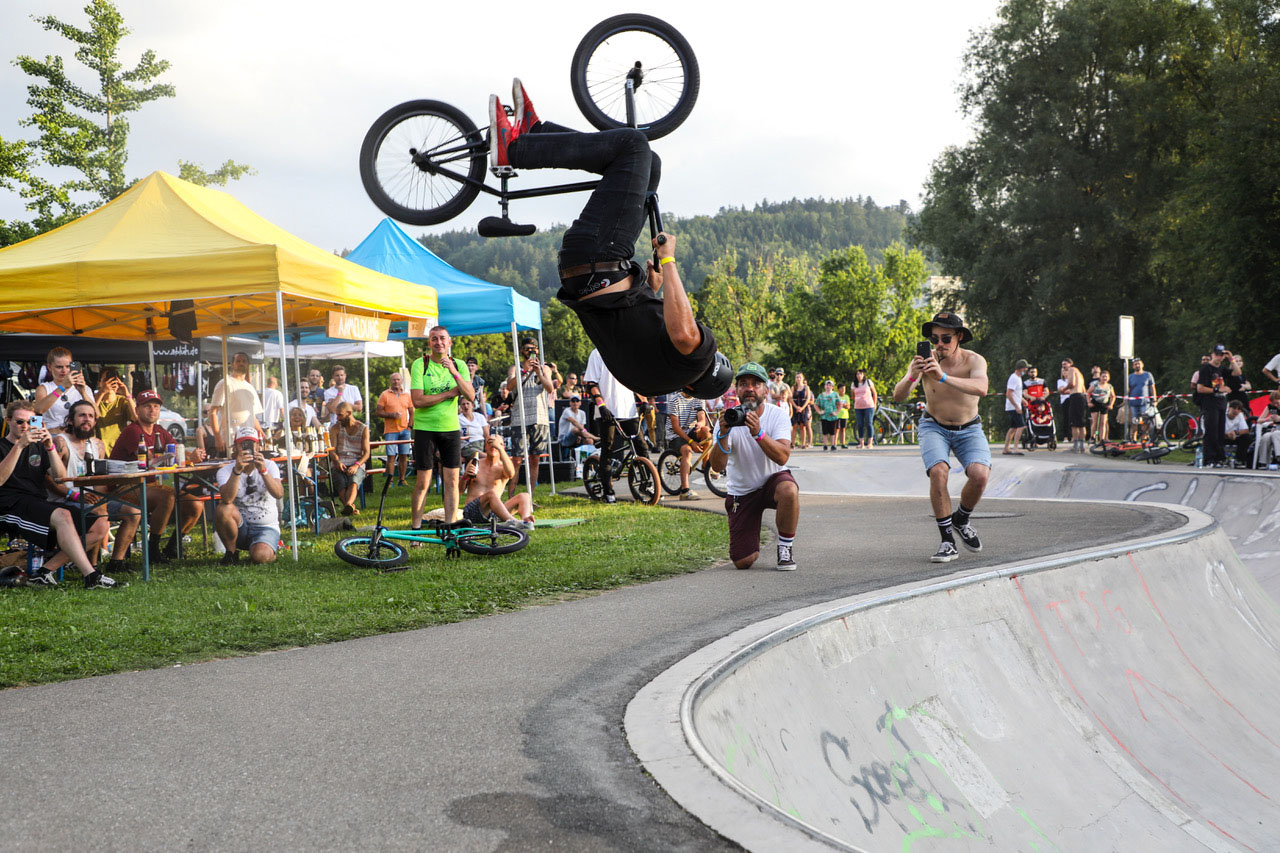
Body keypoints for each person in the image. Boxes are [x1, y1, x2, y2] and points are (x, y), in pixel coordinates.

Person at [492, 79, 728, 400]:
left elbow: (685, 336)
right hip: (585, 270)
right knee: (649, 167)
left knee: (633, 146)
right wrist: (650, 289)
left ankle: (516, 149)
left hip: (601, 257)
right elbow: (626, 327)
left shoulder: (694, 361)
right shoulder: (648, 383)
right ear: (689, 392)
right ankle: (537, 132)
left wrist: (669, 261)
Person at [892, 311, 991, 564]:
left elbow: (982, 388)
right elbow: (898, 395)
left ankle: (961, 519)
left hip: (969, 427)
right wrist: (913, 374)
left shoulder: (974, 360)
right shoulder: (925, 362)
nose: (939, 345)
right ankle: (947, 540)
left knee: (980, 475)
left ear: (959, 337)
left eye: (946, 338)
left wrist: (943, 376)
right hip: (933, 425)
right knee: (938, 471)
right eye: (934, 339)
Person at [0, 400, 116, 588]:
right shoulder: (4, 446)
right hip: (10, 505)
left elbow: (61, 477)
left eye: (30, 422)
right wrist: (19, 446)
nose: (25, 427)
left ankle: (44, 572)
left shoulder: (37, 446)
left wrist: (49, 447)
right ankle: (91, 576)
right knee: (63, 515)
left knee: (100, 525)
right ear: (8, 420)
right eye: (20, 422)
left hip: (38, 502)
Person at [707, 362, 799, 571]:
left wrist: (759, 433)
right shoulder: (727, 420)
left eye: (756, 383)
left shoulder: (777, 415)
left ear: (765, 390)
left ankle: (785, 549)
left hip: (772, 482)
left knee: (789, 490)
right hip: (743, 491)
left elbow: (783, 457)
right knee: (743, 561)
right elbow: (716, 465)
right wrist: (723, 434)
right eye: (744, 384)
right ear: (737, 390)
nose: (750, 388)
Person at [108, 389, 207, 563]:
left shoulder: (160, 430)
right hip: (125, 487)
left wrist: (193, 454)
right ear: (137, 409)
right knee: (167, 496)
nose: (152, 410)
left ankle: (172, 548)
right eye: (147, 406)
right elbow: (147, 461)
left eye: (156, 406)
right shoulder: (132, 431)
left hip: (150, 487)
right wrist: (184, 456)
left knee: (195, 505)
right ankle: (152, 550)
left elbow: (177, 450)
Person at [46, 400, 131, 573]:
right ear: (70, 420)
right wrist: (74, 495)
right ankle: (87, 565)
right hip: (64, 501)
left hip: (90, 499)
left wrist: (103, 500)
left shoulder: (98, 445)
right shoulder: (60, 442)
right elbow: (48, 478)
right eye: (82, 415)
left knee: (132, 512)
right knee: (98, 513)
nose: (87, 419)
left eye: (91, 416)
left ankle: (115, 562)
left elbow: (99, 481)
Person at [409, 325, 474, 529]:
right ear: (429, 343)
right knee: (423, 482)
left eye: (442, 339)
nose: (439, 342)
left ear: (449, 342)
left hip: (450, 428)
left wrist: (453, 371)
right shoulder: (421, 364)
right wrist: (448, 394)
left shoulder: (459, 365)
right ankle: (416, 528)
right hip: (425, 429)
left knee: (452, 481)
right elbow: (418, 400)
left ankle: (450, 526)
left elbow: (470, 395)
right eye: (434, 339)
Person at [214, 427, 283, 564]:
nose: (247, 448)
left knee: (260, 557)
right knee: (223, 508)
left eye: (251, 444)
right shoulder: (226, 470)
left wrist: (263, 471)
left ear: (258, 446)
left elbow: (279, 493)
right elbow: (227, 498)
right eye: (243, 444)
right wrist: (237, 471)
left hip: (266, 526)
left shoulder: (270, 465)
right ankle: (231, 553)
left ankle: (267, 548)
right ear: (235, 448)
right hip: (239, 526)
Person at [583, 347, 640, 504]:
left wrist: (645, 402)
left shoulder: (625, 354)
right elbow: (591, 383)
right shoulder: (597, 354)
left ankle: (645, 486)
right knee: (608, 450)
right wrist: (601, 405)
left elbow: (636, 383)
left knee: (642, 447)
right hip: (608, 411)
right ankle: (608, 492)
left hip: (629, 411)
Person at [505, 337, 554, 494]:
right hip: (520, 418)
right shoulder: (515, 367)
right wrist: (524, 371)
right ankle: (511, 495)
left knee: (534, 459)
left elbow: (550, 388)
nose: (531, 351)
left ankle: (530, 497)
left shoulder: (545, 368)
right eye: (527, 348)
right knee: (517, 460)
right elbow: (509, 386)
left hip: (539, 418)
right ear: (521, 350)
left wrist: (539, 372)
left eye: (534, 348)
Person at [460, 435, 535, 531]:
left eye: (498, 444)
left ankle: (526, 521)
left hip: (493, 513)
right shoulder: (476, 463)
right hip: (472, 512)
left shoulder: (503, 467)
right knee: (491, 494)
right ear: (485, 447)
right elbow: (459, 491)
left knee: (524, 496)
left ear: (502, 447)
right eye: (490, 443)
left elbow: (511, 474)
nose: (494, 446)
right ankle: (515, 522)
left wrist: (499, 447)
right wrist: (464, 477)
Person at [208, 351, 264, 454]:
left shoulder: (250, 388)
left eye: (244, 361)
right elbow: (212, 412)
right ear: (232, 364)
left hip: (249, 440)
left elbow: (252, 416)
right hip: (230, 441)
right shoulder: (225, 383)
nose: (241, 363)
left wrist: (262, 434)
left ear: (248, 365)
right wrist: (218, 438)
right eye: (238, 361)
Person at [32, 346, 95, 436]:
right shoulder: (44, 388)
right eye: (59, 367)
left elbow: (96, 415)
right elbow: (39, 409)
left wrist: (83, 392)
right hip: (52, 435)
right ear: (49, 367)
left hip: (77, 436)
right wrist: (62, 387)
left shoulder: (84, 388)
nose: (64, 371)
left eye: (68, 366)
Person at [666, 389, 710, 499]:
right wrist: (691, 442)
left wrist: (699, 424)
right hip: (675, 435)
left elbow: (702, 418)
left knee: (706, 431)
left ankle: (706, 466)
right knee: (687, 451)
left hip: (690, 430)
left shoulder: (699, 398)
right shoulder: (674, 400)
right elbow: (676, 428)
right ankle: (685, 491)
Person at [328, 401, 370, 515]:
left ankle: (347, 506)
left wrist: (357, 465)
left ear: (349, 413)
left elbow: (366, 453)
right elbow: (332, 450)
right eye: (337, 415)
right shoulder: (335, 428)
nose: (337, 418)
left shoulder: (363, 428)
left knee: (354, 481)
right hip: (340, 460)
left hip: (357, 461)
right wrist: (337, 462)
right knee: (340, 481)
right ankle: (350, 507)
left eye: (340, 415)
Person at [376, 370, 413, 486]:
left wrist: (410, 426)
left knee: (403, 455)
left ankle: (402, 479)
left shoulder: (407, 395)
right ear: (390, 382)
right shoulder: (385, 394)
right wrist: (391, 415)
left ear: (401, 381)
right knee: (391, 456)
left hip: (404, 430)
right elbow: (378, 412)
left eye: (398, 379)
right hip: (391, 430)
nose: (396, 382)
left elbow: (412, 412)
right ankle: (390, 480)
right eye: (394, 380)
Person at [1196, 345, 1231, 467]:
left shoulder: (1222, 368)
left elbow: (1237, 372)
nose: (1219, 357)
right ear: (1212, 354)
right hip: (1210, 404)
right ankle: (1209, 458)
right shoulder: (1206, 368)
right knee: (1211, 431)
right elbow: (1200, 388)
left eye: (1221, 355)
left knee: (1220, 432)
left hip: (1221, 403)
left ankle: (1219, 457)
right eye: (1217, 354)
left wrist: (1231, 358)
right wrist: (1217, 390)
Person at [93, 367, 135, 454]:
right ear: (99, 383)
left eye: (113, 380)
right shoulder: (94, 400)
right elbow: (89, 414)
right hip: (98, 450)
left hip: (118, 450)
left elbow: (136, 418)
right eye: (106, 380)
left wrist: (127, 394)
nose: (110, 383)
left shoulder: (122, 401)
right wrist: (102, 392)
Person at [1060, 358, 1088, 452]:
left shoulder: (1072, 369)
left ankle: (1075, 446)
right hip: (1081, 397)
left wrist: (1064, 389)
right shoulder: (1079, 373)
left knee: (1074, 424)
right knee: (1081, 423)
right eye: (1062, 364)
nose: (1063, 366)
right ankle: (1082, 446)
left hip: (1075, 397)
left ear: (1070, 364)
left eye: (1065, 364)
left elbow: (1072, 383)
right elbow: (1083, 389)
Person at [1127, 358, 1157, 442]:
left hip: (1145, 402)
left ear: (1142, 365)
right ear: (1133, 366)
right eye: (1135, 364)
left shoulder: (1148, 375)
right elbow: (1128, 389)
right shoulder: (1130, 377)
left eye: (1139, 364)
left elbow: (1152, 387)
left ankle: (1144, 437)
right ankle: (1134, 438)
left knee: (1145, 420)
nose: (1137, 365)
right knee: (1134, 421)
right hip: (1133, 402)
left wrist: (1154, 398)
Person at [1003, 359, 1028, 455]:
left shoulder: (1018, 378)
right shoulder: (1014, 378)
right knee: (1021, 426)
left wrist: (1023, 400)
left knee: (1013, 428)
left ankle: (1006, 448)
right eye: (1025, 369)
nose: (1025, 370)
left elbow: (1016, 393)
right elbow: (1009, 393)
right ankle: (1015, 448)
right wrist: (1017, 406)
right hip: (1013, 407)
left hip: (1015, 405)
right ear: (1021, 369)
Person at [851, 368, 877, 449]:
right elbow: (853, 395)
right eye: (857, 374)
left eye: (860, 374)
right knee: (860, 424)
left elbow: (874, 393)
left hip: (869, 406)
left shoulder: (868, 382)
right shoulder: (853, 384)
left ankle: (870, 443)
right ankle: (861, 443)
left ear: (863, 375)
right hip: (858, 407)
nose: (859, 376)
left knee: (869, 423)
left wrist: (874, 403)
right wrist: (858, 400)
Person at [1089, 370, 1116, 444]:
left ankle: (1102, 438)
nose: (1104, 378)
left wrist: (1111, 404)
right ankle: (1092, 437)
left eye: (1106, 376)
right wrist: (1089, 402)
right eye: (1103, 376)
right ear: (1100, 377)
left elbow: (1113, 396)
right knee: (1094, 422)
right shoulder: (1095, 384)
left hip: (1104, 404)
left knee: (1103, 422)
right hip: (1095, 403)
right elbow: (1088, 393)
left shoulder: (1110, 386)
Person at [1224, 399, 1252, 466]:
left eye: (1238, 409)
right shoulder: (1223, 415)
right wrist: (1228, 434)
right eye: (1234, 408)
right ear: (1229, 408)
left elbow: (1246, 430)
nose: (1236, 410)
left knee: (1246, 437)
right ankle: (1220, 459)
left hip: (1235, 437)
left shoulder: (1240, 415)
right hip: (1223, 436)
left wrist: (1235, 432)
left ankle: (1240, 460)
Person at [815, 380, 841, 451]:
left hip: (832, 416)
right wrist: (819, 411)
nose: (828, 386)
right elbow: (816, 404)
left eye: (830, 385)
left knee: (833, 431)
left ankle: (833, 444)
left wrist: (837, 412)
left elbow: (840, 404)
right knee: (825, 431)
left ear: (832, 387)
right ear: (825, 386)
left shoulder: (835, 394)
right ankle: (825, 445)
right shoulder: (821, 395)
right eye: (827, 385)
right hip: (824, 416)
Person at [790, 372, 813, 449]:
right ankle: (792, 443)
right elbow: (790, 398)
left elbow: (808, 398)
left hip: (803, 407)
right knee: (794, 426)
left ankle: (803, 443)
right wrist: (796, 407)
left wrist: (802, 408)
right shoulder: (793, 387)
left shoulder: (806, 387)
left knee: (803, 426)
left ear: (802, 378)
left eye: (800, 377)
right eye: (797, 377)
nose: (798, 379)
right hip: (795, 407)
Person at [835, 382, 851, 449]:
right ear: (838, 389)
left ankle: (843, 443)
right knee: (836, 429)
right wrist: (843, 405)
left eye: (844, 388)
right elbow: (836, 405)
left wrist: (842, 405)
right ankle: (834, 444)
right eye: (842, 388)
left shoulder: (846, 397)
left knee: (843, 429)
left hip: (844, 415)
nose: (843, 390)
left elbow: (848, 406)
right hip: (837, 415)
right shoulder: (836, 396)